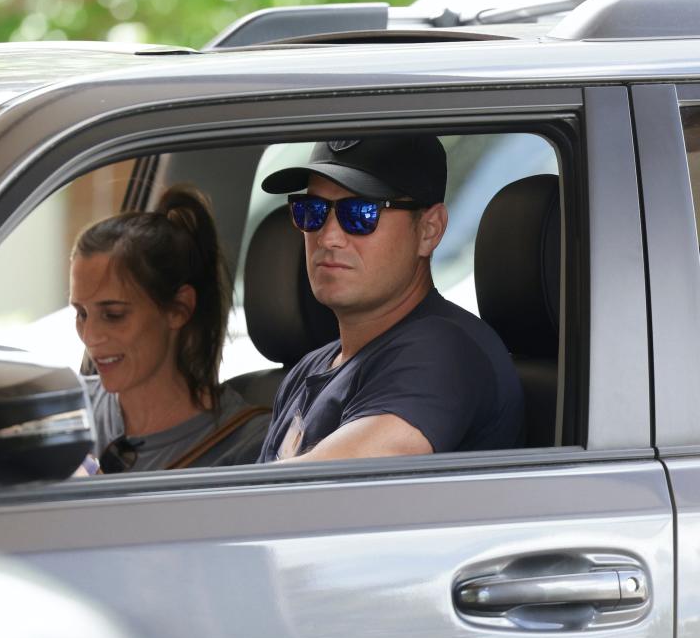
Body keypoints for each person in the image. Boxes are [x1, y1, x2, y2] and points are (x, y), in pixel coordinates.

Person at [256, 135, 524, 463]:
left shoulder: (446, 353)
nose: (328, 236)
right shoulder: (307, 371)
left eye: (360, 212)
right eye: (312, 210)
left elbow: (316, 491)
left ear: (429, 230)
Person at [70, 184, 269, 474]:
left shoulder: (248, 448)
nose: (90, 336)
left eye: (113, 314)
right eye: (81, 313)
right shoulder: (65, 419)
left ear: (179, 309)